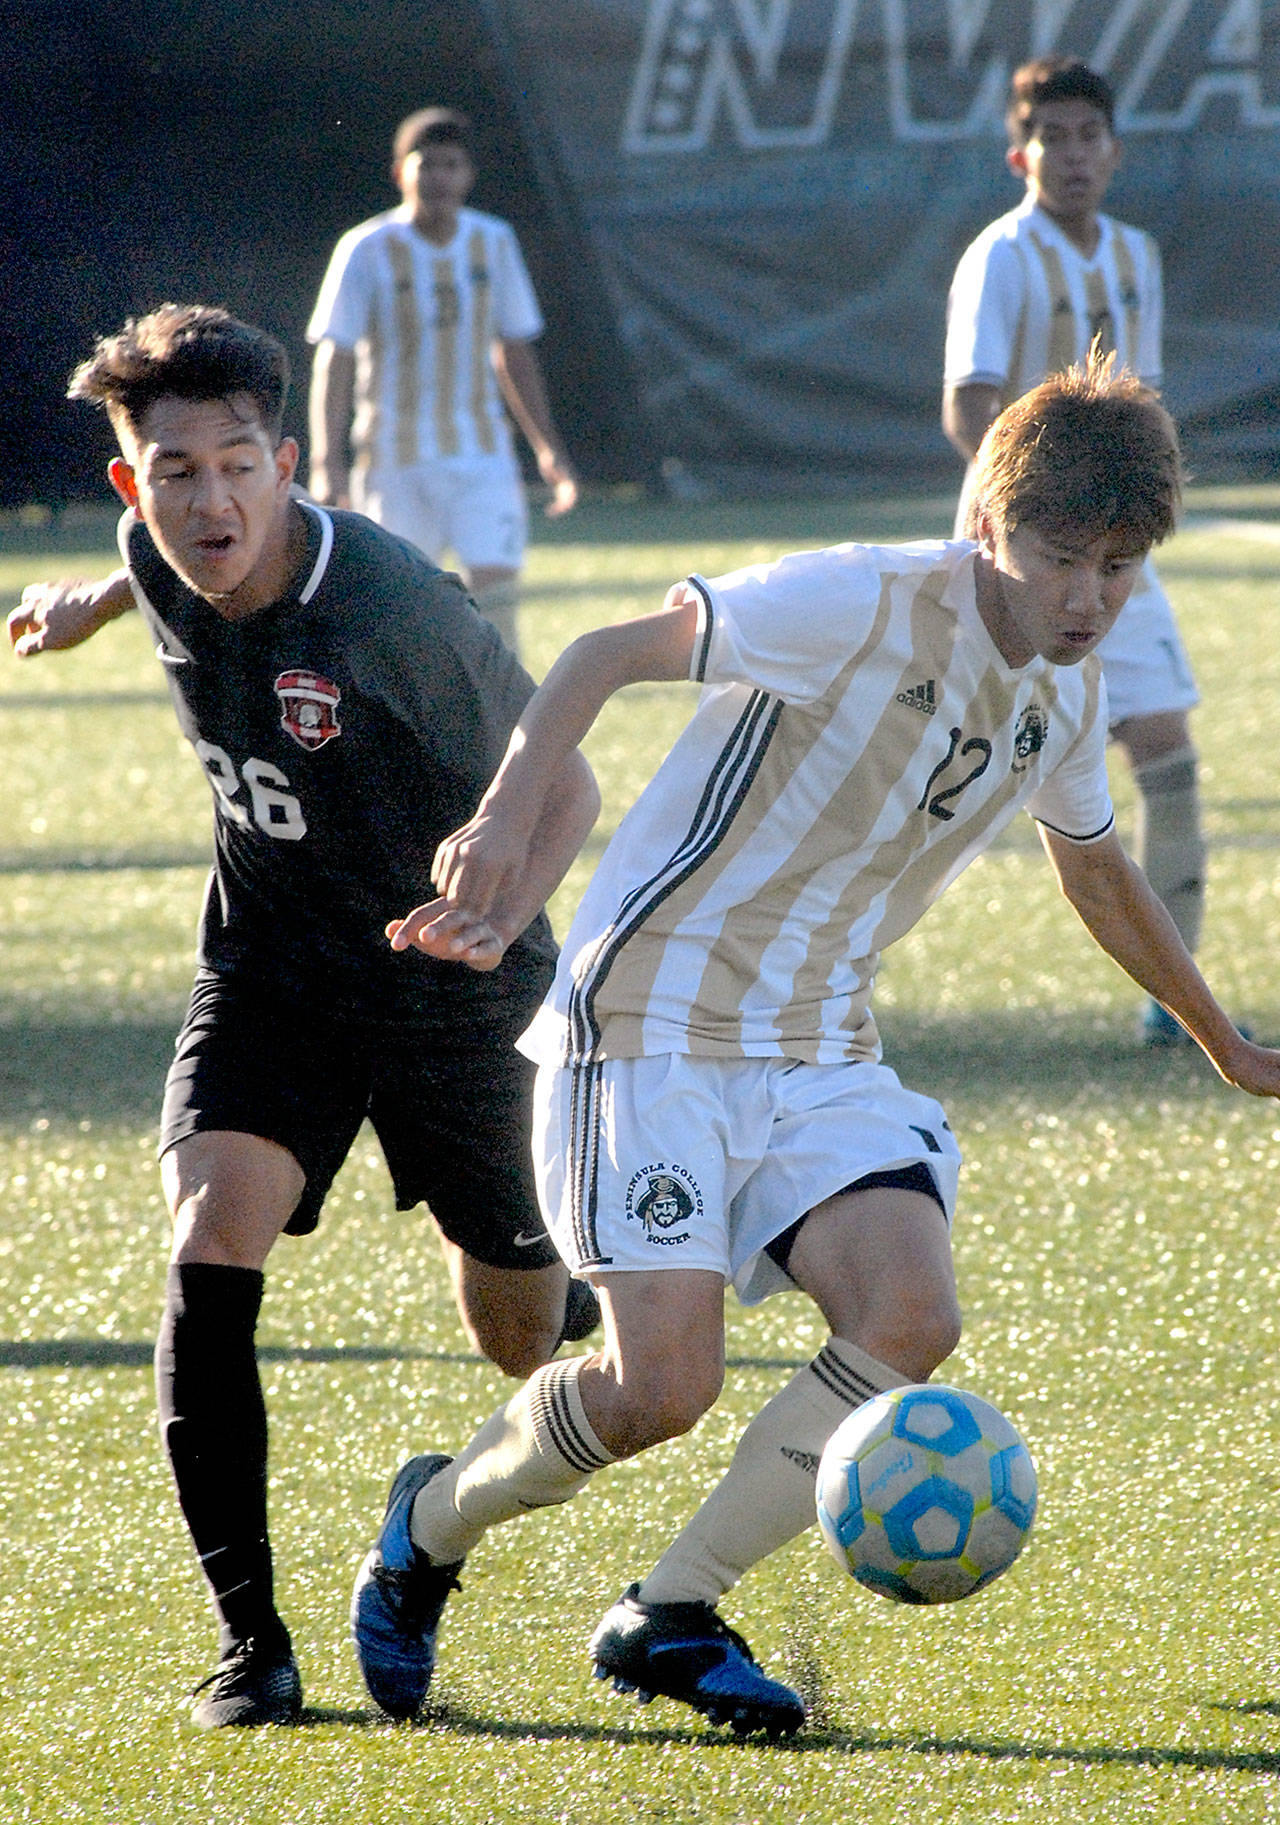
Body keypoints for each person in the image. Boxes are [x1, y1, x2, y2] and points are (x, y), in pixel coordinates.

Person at [345, 354, 1280, 1738]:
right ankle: (430, 1522)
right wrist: (498, 826)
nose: (1089, 598)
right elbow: (604, 653)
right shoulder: (860, 599)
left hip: (817, 1039)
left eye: (1122, 567)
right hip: (650, 1019)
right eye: (1062, 557)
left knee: (911, 1312)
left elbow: (1096, 870)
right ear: (987, 524)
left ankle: (669, 1608)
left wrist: (1226, 1038)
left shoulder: (1064, 698)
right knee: (660, 1388)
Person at [6, 304, 599, 1729]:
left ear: (287, 461)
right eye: (175, 471)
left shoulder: (389, 603)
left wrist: (500, 916)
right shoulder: (157, 546)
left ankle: (555, 1291)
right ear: (130, 484)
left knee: (523, 1338)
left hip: (460, 985)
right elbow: (132, 573)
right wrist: (80, 610)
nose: (210, 500)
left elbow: (564, 781)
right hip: (270, 969)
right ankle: (250, 1646)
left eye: (237, 466)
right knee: (209, 1237)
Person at [942, 55, 1206, 1047]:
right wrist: (1028, 521)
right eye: (1051, 137)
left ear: (1113, 149)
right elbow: (966, 403)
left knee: (1165, 748)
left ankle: (1171, 1004)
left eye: (1087, 135)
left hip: (1109, 554)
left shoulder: (1134, 255)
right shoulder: (1000, 256)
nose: (1072, 154)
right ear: (1021, 152)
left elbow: (1142, 402)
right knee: (934, 763)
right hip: (1012, 556)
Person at [306, 105, 579, 657]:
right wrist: (325, 460)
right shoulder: (365, 248)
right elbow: (334, 359)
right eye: (426, 164)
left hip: (481, 456)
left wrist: (546, 448)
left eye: (451, 165)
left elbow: (514, 350)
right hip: (393, 461)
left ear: (468, 175)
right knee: (397, 610)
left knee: (497, 602)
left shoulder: (494, 241)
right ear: (400, 172)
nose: (439, 178)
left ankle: (508, 732)